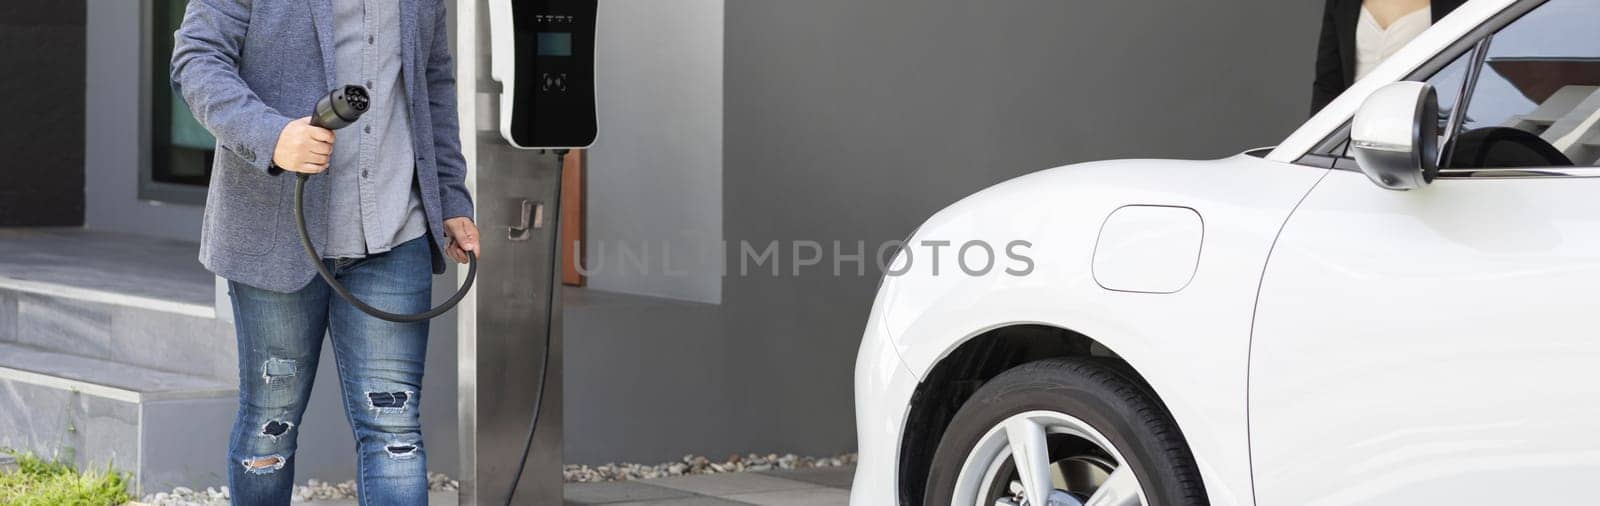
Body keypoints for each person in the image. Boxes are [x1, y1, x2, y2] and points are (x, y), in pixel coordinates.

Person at [170, 1, 478, 504]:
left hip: (394, 234)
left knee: (395, 431)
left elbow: (433, 83)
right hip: (276, 234)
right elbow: (196, 59)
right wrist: (272, 137)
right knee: (271, 425)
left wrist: (450, 196)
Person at [1311, 0, 1465, 114]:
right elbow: (1327, 85)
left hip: (1418, 145)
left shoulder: (1456, 4)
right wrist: (1314, 151)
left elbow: (1460, 80)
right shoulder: (1343, 4)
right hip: (1347, 144)